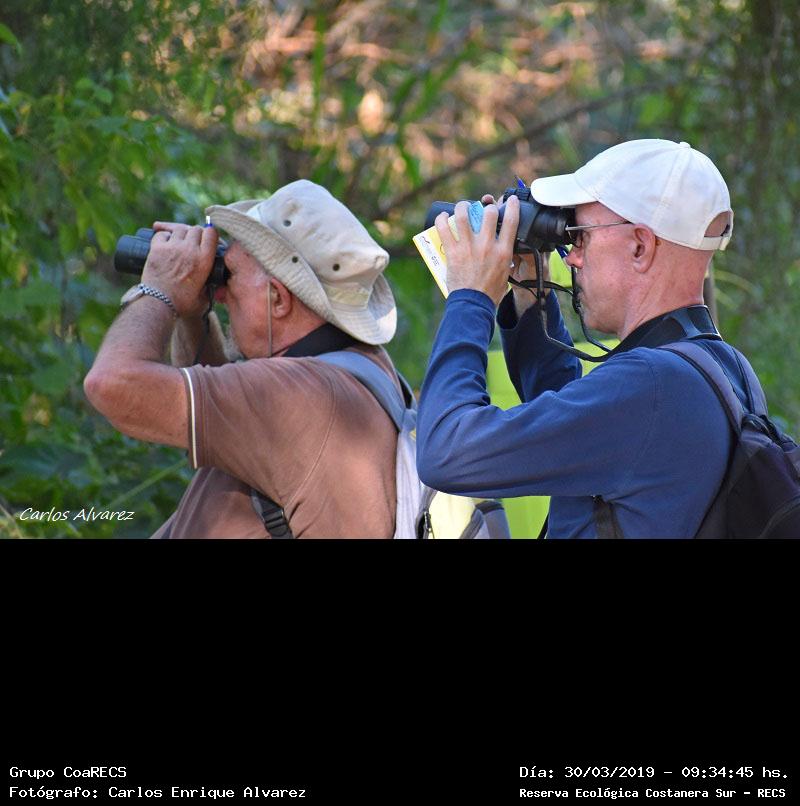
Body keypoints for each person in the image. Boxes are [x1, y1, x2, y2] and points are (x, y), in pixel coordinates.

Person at [415, 139, 745, 538]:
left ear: (640, 247)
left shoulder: (652, 386)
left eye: (581, 236)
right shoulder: (720, 368)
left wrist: (471, 297)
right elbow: (571, 422)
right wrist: (530, 289)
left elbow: (447, 451)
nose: (571, 256)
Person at [84, 180, 401, 538]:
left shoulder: (296, 396)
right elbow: (226, 412)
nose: (220, 292)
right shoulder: (358, 369)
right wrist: (193, 312)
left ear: (277, 299)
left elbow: (110, 385)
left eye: (230, 274)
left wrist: (160, 287)